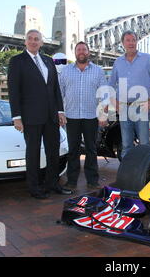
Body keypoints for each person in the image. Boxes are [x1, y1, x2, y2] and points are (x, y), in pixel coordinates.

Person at [7, 29, 72, 199]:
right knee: (33, 152)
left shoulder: (48, 61)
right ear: (25, 42)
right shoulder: (17, 61)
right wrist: (16, 117)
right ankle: (34, 187)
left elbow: (55, 88)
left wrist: (60, 110)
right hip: (30, 116)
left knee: (53, 151)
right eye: (30, 39)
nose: (34, 41)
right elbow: (13, 91)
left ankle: (52, 184)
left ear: (42, 42)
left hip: (51, 116)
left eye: (37, 39)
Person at [59, 42, 108, 191]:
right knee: (73, 149)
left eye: (84, 49)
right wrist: (59, 113)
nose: (81, 52)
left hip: (91, 116)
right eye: (79, 49)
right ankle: (72, 181)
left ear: (88, 52)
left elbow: (104, 94)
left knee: (91, 149)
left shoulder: (98, 71)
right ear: (75, 53)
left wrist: (103, 115)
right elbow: (59, 93)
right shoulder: (66, 71)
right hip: (71, 116)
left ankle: (92, 180)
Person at [108, 31, 150, 159]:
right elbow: (110, 85)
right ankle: (127, 174)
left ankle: (146, 173)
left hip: (142, 108)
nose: (131, 43)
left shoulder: (147, 59)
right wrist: (114, 103)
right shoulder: (118, 62)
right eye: (128, 40)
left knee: (144, 144)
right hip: (123, 108)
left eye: (133, 40)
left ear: (136, 42)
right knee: (126, 144)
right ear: (123, 43)